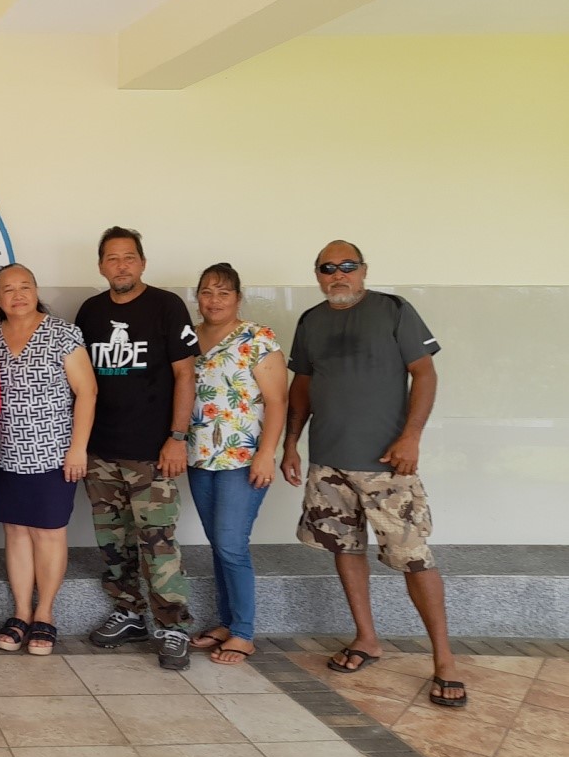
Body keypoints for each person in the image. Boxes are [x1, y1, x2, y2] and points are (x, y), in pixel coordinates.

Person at [282, 241, 465, 707]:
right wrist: (290, 444)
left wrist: (412, 437)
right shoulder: (311, 321)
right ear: (318, 274)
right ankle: (367, 639)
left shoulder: (394, 310)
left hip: (389, 465)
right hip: (329, 463)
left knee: (414, 558)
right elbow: (300, 386)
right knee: (344, 549)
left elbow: (424, 373)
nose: (338, 275)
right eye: (328, 268)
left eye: (347, 266)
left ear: (363, 270)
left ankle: (444, 660)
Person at [74, 226, 198, 670]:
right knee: (114, 542)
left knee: (158, 542)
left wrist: (177, 438)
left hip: (153, 452)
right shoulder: (89, 312)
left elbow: (186, 375)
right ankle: (129, 613)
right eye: (112, 258)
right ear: (101, 265)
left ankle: (173, 626)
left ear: (142, 262)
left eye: (129, 257)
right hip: (101, 451)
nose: (121, 265)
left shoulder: (166, 306)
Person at [0, 263, 96, 657]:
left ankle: (45, 614)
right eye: (7, 289)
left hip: (54, 454)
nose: (17, 295)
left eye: (25, 287)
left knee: (48, 534)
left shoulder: (62, 333)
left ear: (36, 291)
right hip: (5, 453)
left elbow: (87, 392)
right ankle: (20, 613)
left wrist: (78, 448)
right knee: (16, 532)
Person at [186, 262, 287, 664]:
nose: (214, 300)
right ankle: (228, 622)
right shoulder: (189, 339)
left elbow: (278, 400)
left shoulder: (257, 339)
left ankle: (244, 633)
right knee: (219, 545)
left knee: (231, 544)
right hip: (198, 456)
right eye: (207, 292)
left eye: (223, 293)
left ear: (238, 298)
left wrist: (268, 452)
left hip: (242, 458)